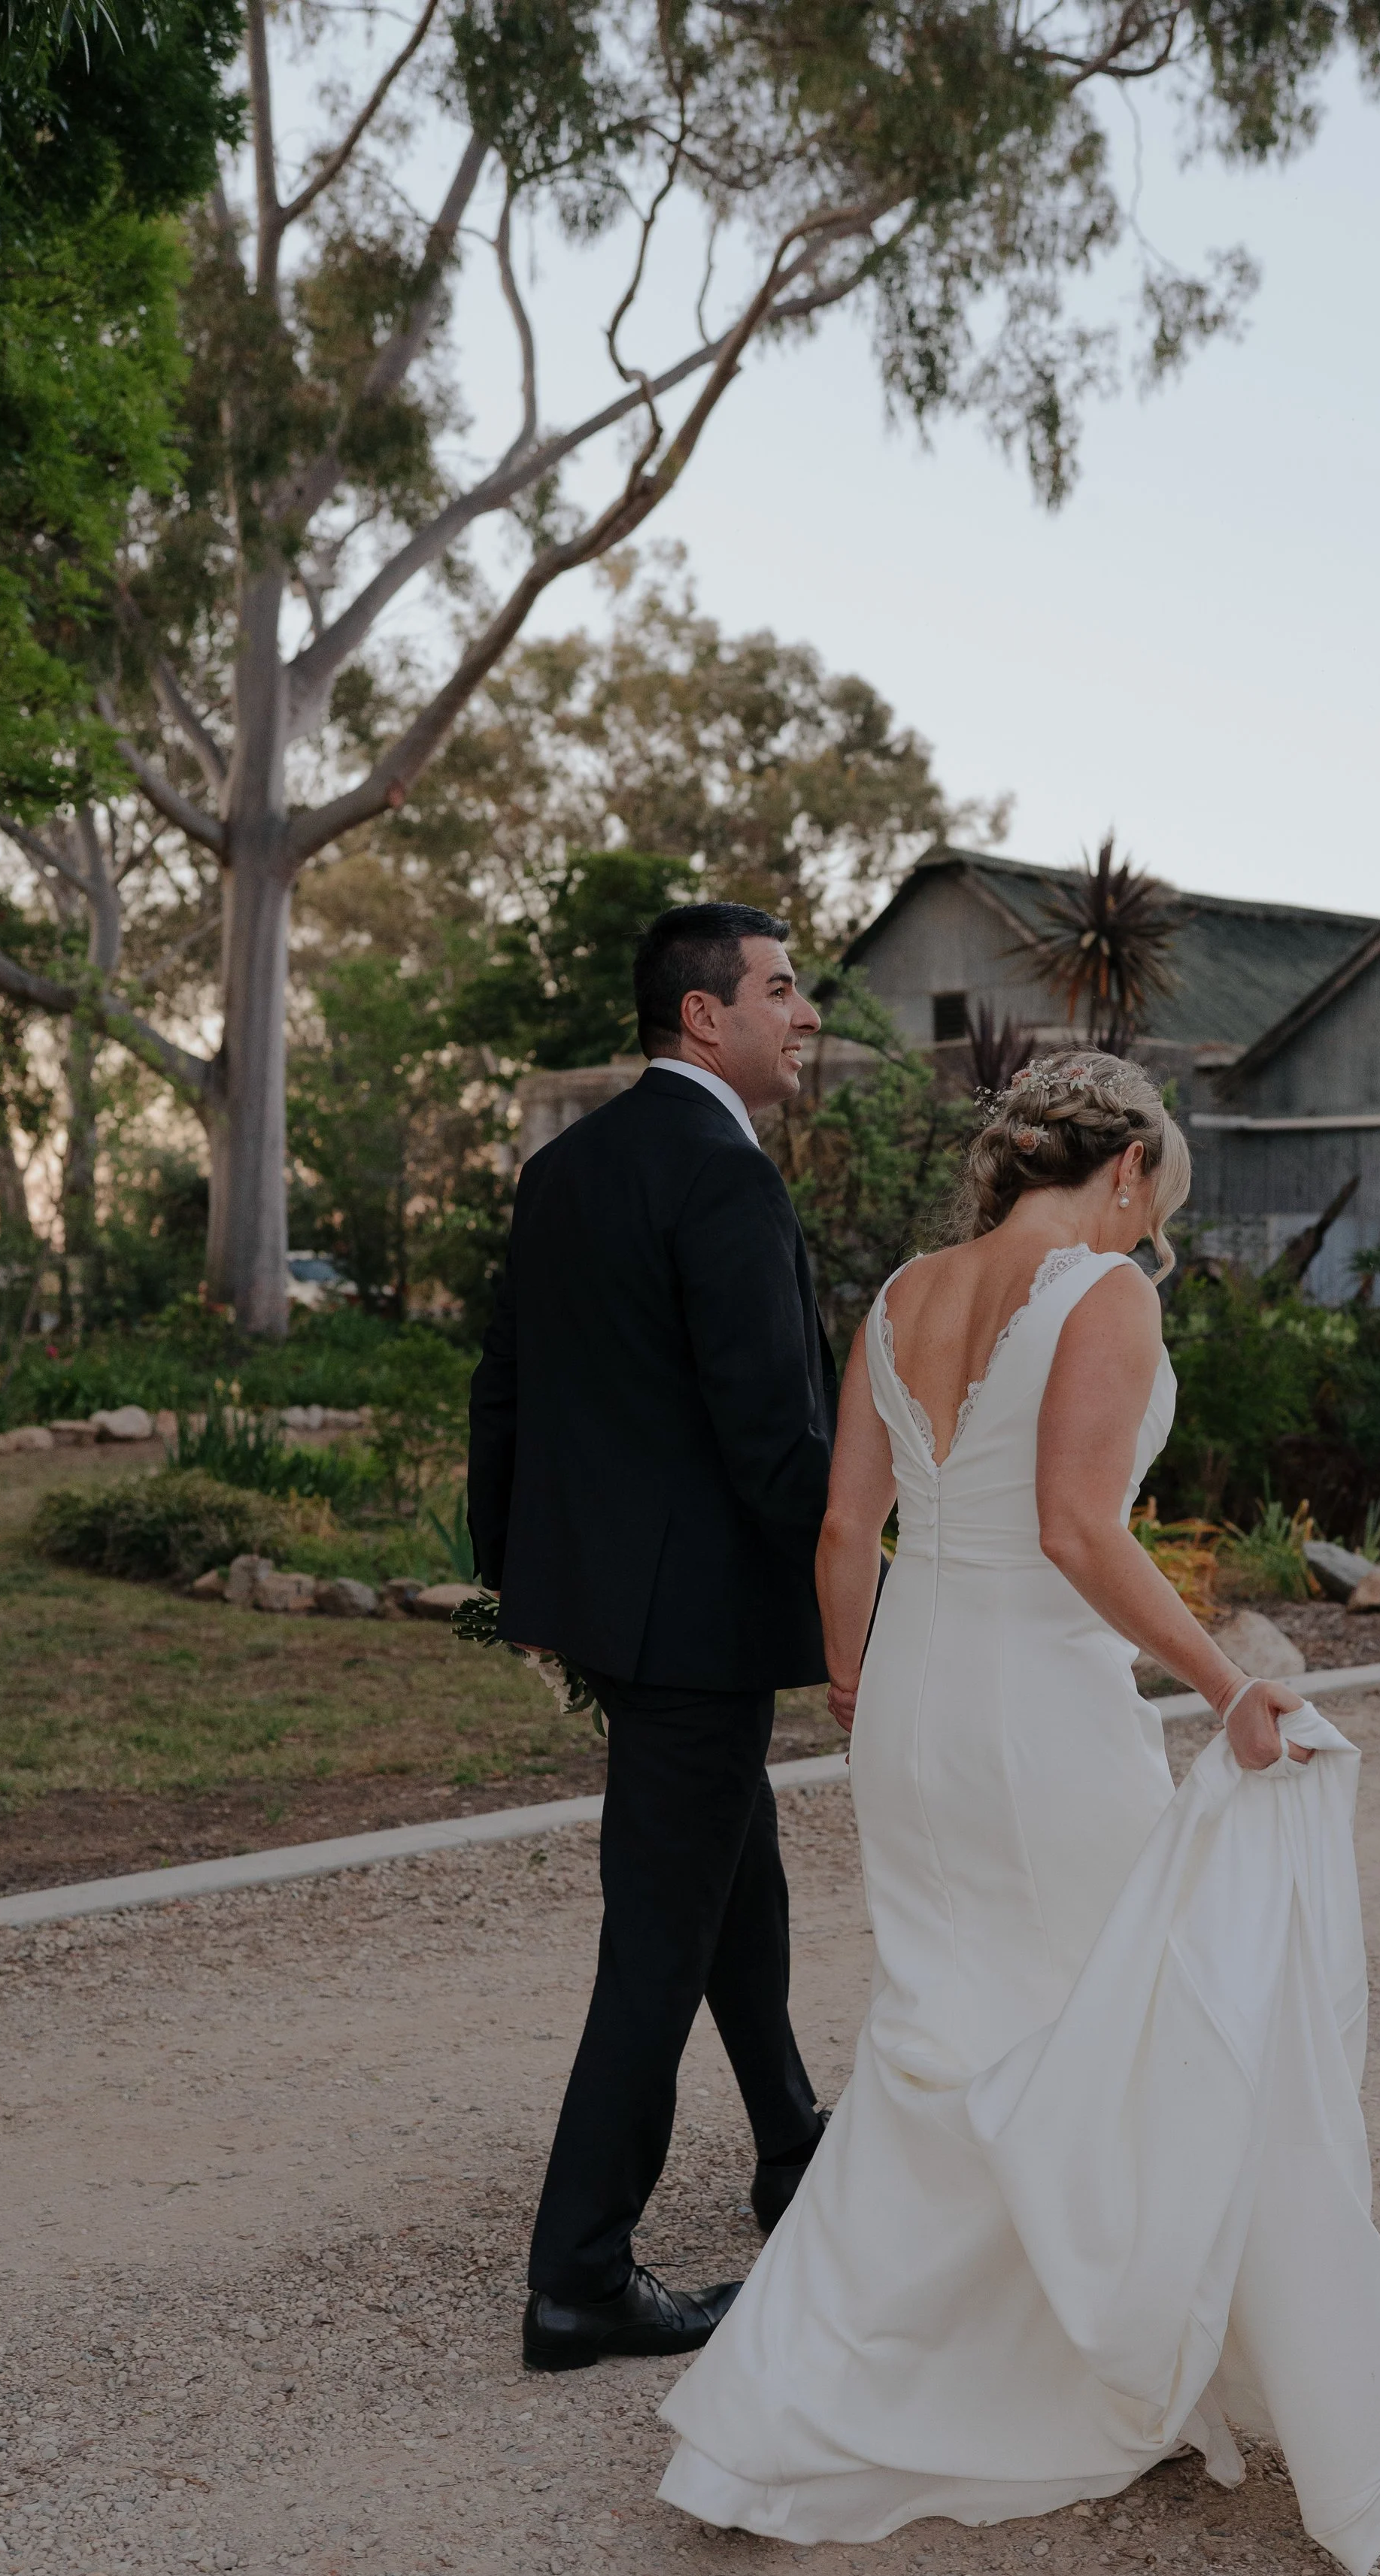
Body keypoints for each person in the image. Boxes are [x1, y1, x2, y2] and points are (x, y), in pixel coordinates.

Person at [658, 1052, 1380, 2576]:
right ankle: (1045, 2358)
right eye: (1158, 1207)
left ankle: (824, 2381)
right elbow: (1074, 1531)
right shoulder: (1100, 1294)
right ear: (1125, 1168)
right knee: (1095, 2021)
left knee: (942, 2023)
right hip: (1038, 1714)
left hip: (915, 1694)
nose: (1150, 1241)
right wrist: (1223, 1684)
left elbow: (841, 1523)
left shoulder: (898, 1296)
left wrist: (851, 1677)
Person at [467, 901, 837, 2374]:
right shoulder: (722, 1180)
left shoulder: (568, 1166)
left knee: (728, 1868)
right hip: (695, 1625)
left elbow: (504, 1385)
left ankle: (789, 2146)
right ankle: (580, 2277)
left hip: (614, 1613)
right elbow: (773, 1440)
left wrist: (521, 1584)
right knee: (659, 1940)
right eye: (783, 989)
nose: (805, 1015)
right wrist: (882, 1559)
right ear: (704, 1017)